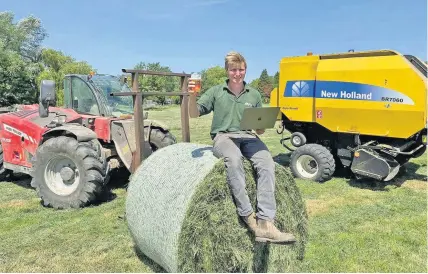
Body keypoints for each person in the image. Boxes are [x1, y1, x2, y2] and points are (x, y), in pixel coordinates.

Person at [188, 51, 296, 244]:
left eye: (241, 69)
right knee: (234, 160)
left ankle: (266, 222)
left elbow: (259, 130)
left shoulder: (253, 94)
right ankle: (248, 216)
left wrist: (262, 124)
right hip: (224, 136)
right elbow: (194, 114)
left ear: (245, 70)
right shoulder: (215, 91)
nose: (238, 73)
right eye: (234, 70)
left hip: (248, 135)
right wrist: (191, 95)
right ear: (227, 71)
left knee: (267, 163)